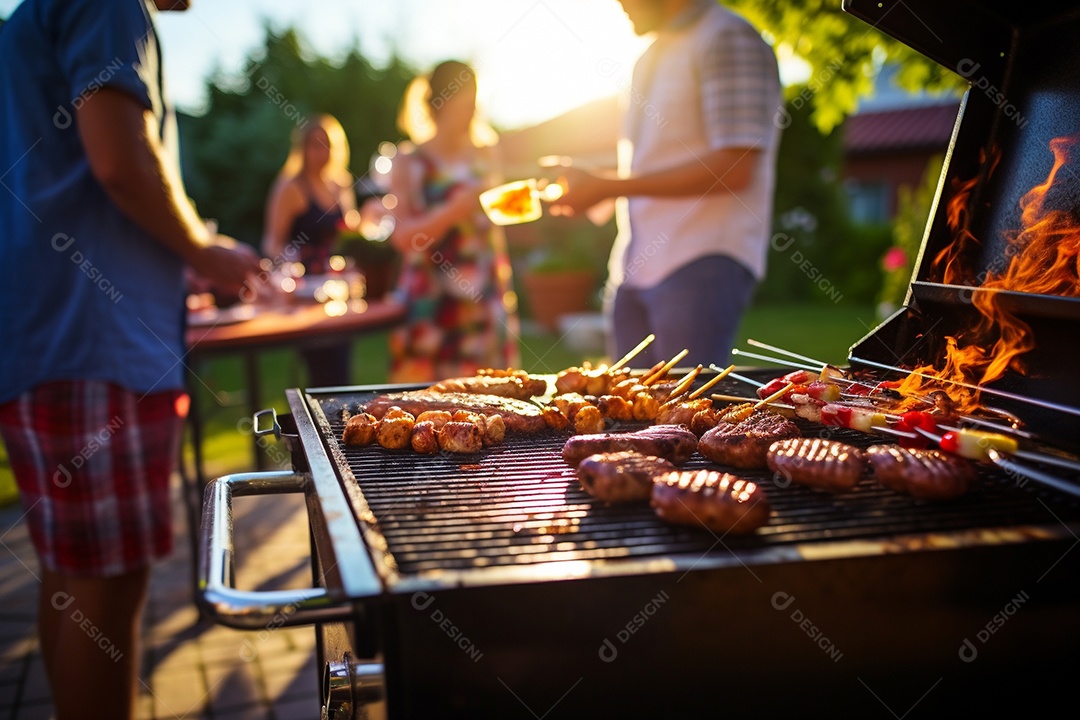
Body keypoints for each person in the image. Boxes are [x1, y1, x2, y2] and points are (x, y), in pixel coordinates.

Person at [0, 1, 260, 718]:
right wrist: (207, 252)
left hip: (49, 336)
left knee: (72, 577)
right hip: (94, 340)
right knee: (106, 589)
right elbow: (121, 159)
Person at [551, 0, 782, 368]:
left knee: (683, 415)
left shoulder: (727, 36)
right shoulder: (648, 56)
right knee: (628, 416)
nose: (618, 4)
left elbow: (735, 167)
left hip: (700, 260)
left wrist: (608, 186)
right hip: (633, 267)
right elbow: (654, 159)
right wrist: (591, 185)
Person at [385, 60, 520, 382]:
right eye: (465, 104)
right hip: (431, 302)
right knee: (424, 409)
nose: (473, 112)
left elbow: (496, 219)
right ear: (440, 103)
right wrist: (452, 212)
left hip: (484, 300)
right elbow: (403, 238)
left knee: (493, 407)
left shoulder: (486, 153)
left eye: (475, 103)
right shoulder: (409, 161)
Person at [262, 114, 359, 386]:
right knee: (321, 370)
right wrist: (290, 262)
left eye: (326, 145)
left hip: (337, 291)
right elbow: (271, 242)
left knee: (341, 369)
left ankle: (339, 423)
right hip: (305, 293)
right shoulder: (291, 187)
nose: (321, 152)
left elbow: (348, 232)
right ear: (302, 148)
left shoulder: (340, 185)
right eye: (314, 145)